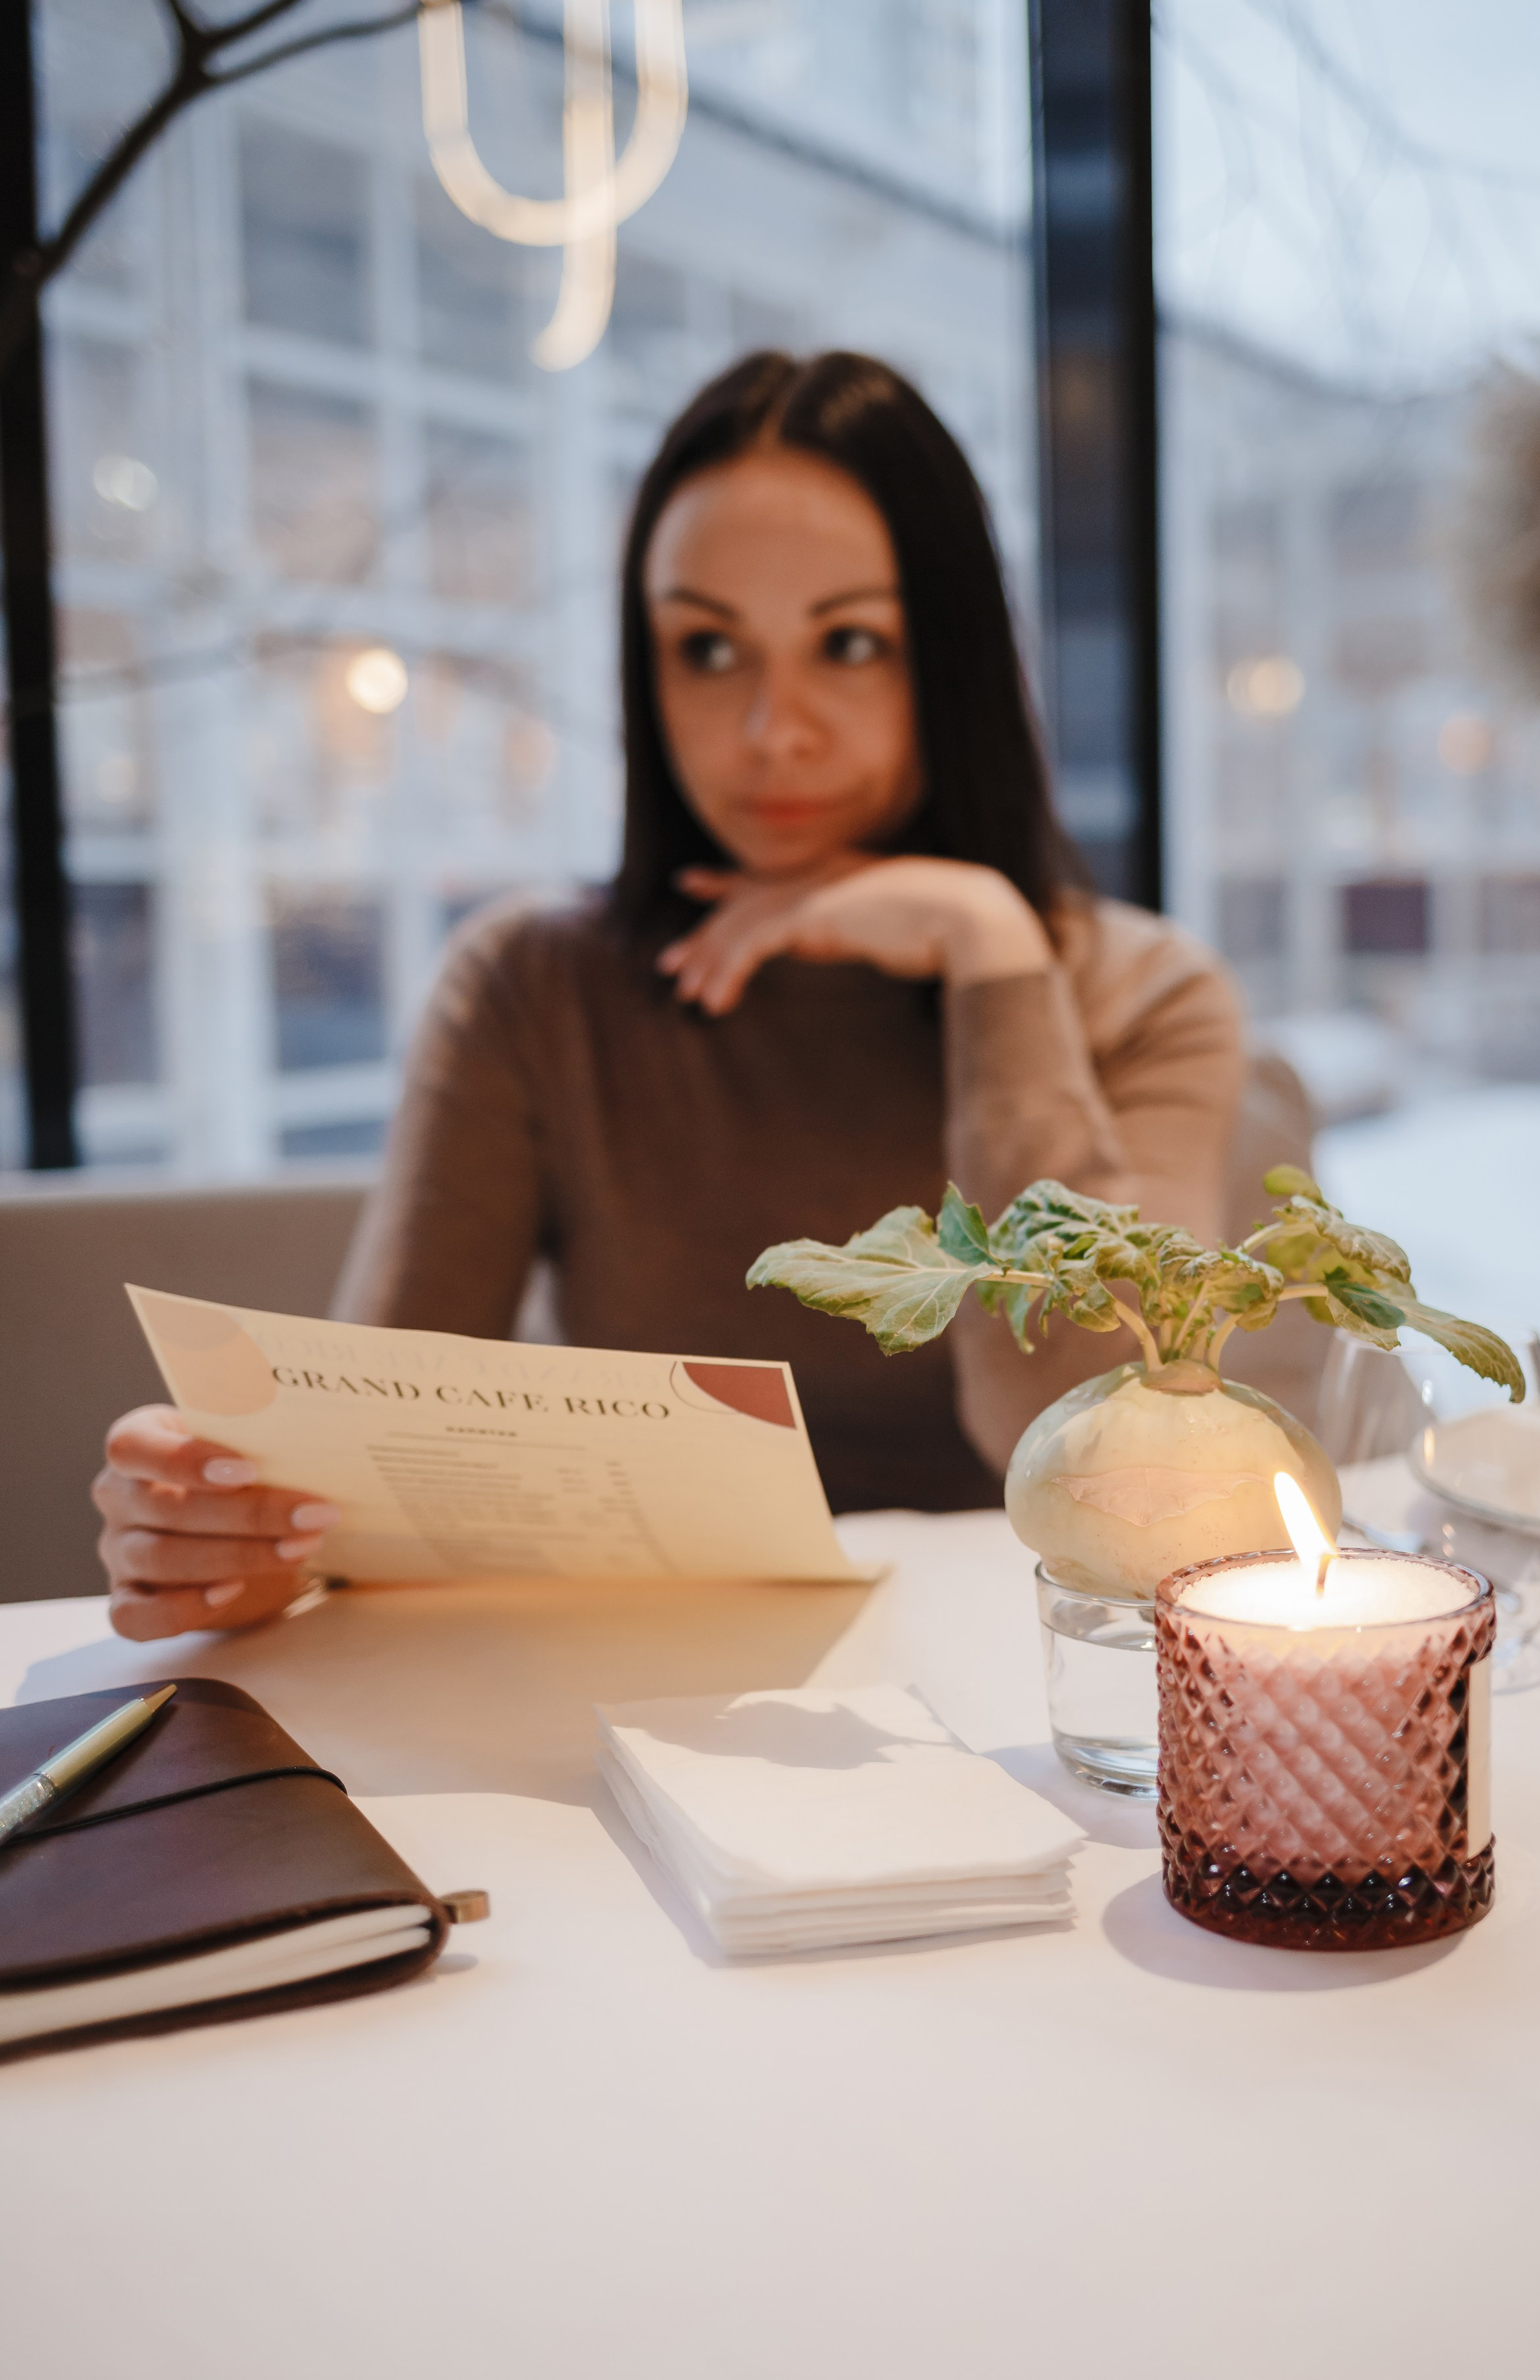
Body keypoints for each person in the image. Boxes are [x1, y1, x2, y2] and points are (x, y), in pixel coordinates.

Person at [94, 349, 1297, 1643]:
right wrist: (241, 1534)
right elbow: (366, 1477)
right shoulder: (536, 988)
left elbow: (1115, 1484)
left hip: (1018, 1695)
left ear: (949, 661)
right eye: (708, 647)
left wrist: (990, 951)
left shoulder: (1139, 994)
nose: (774, 728)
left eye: (850, 644)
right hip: (638, 1688)